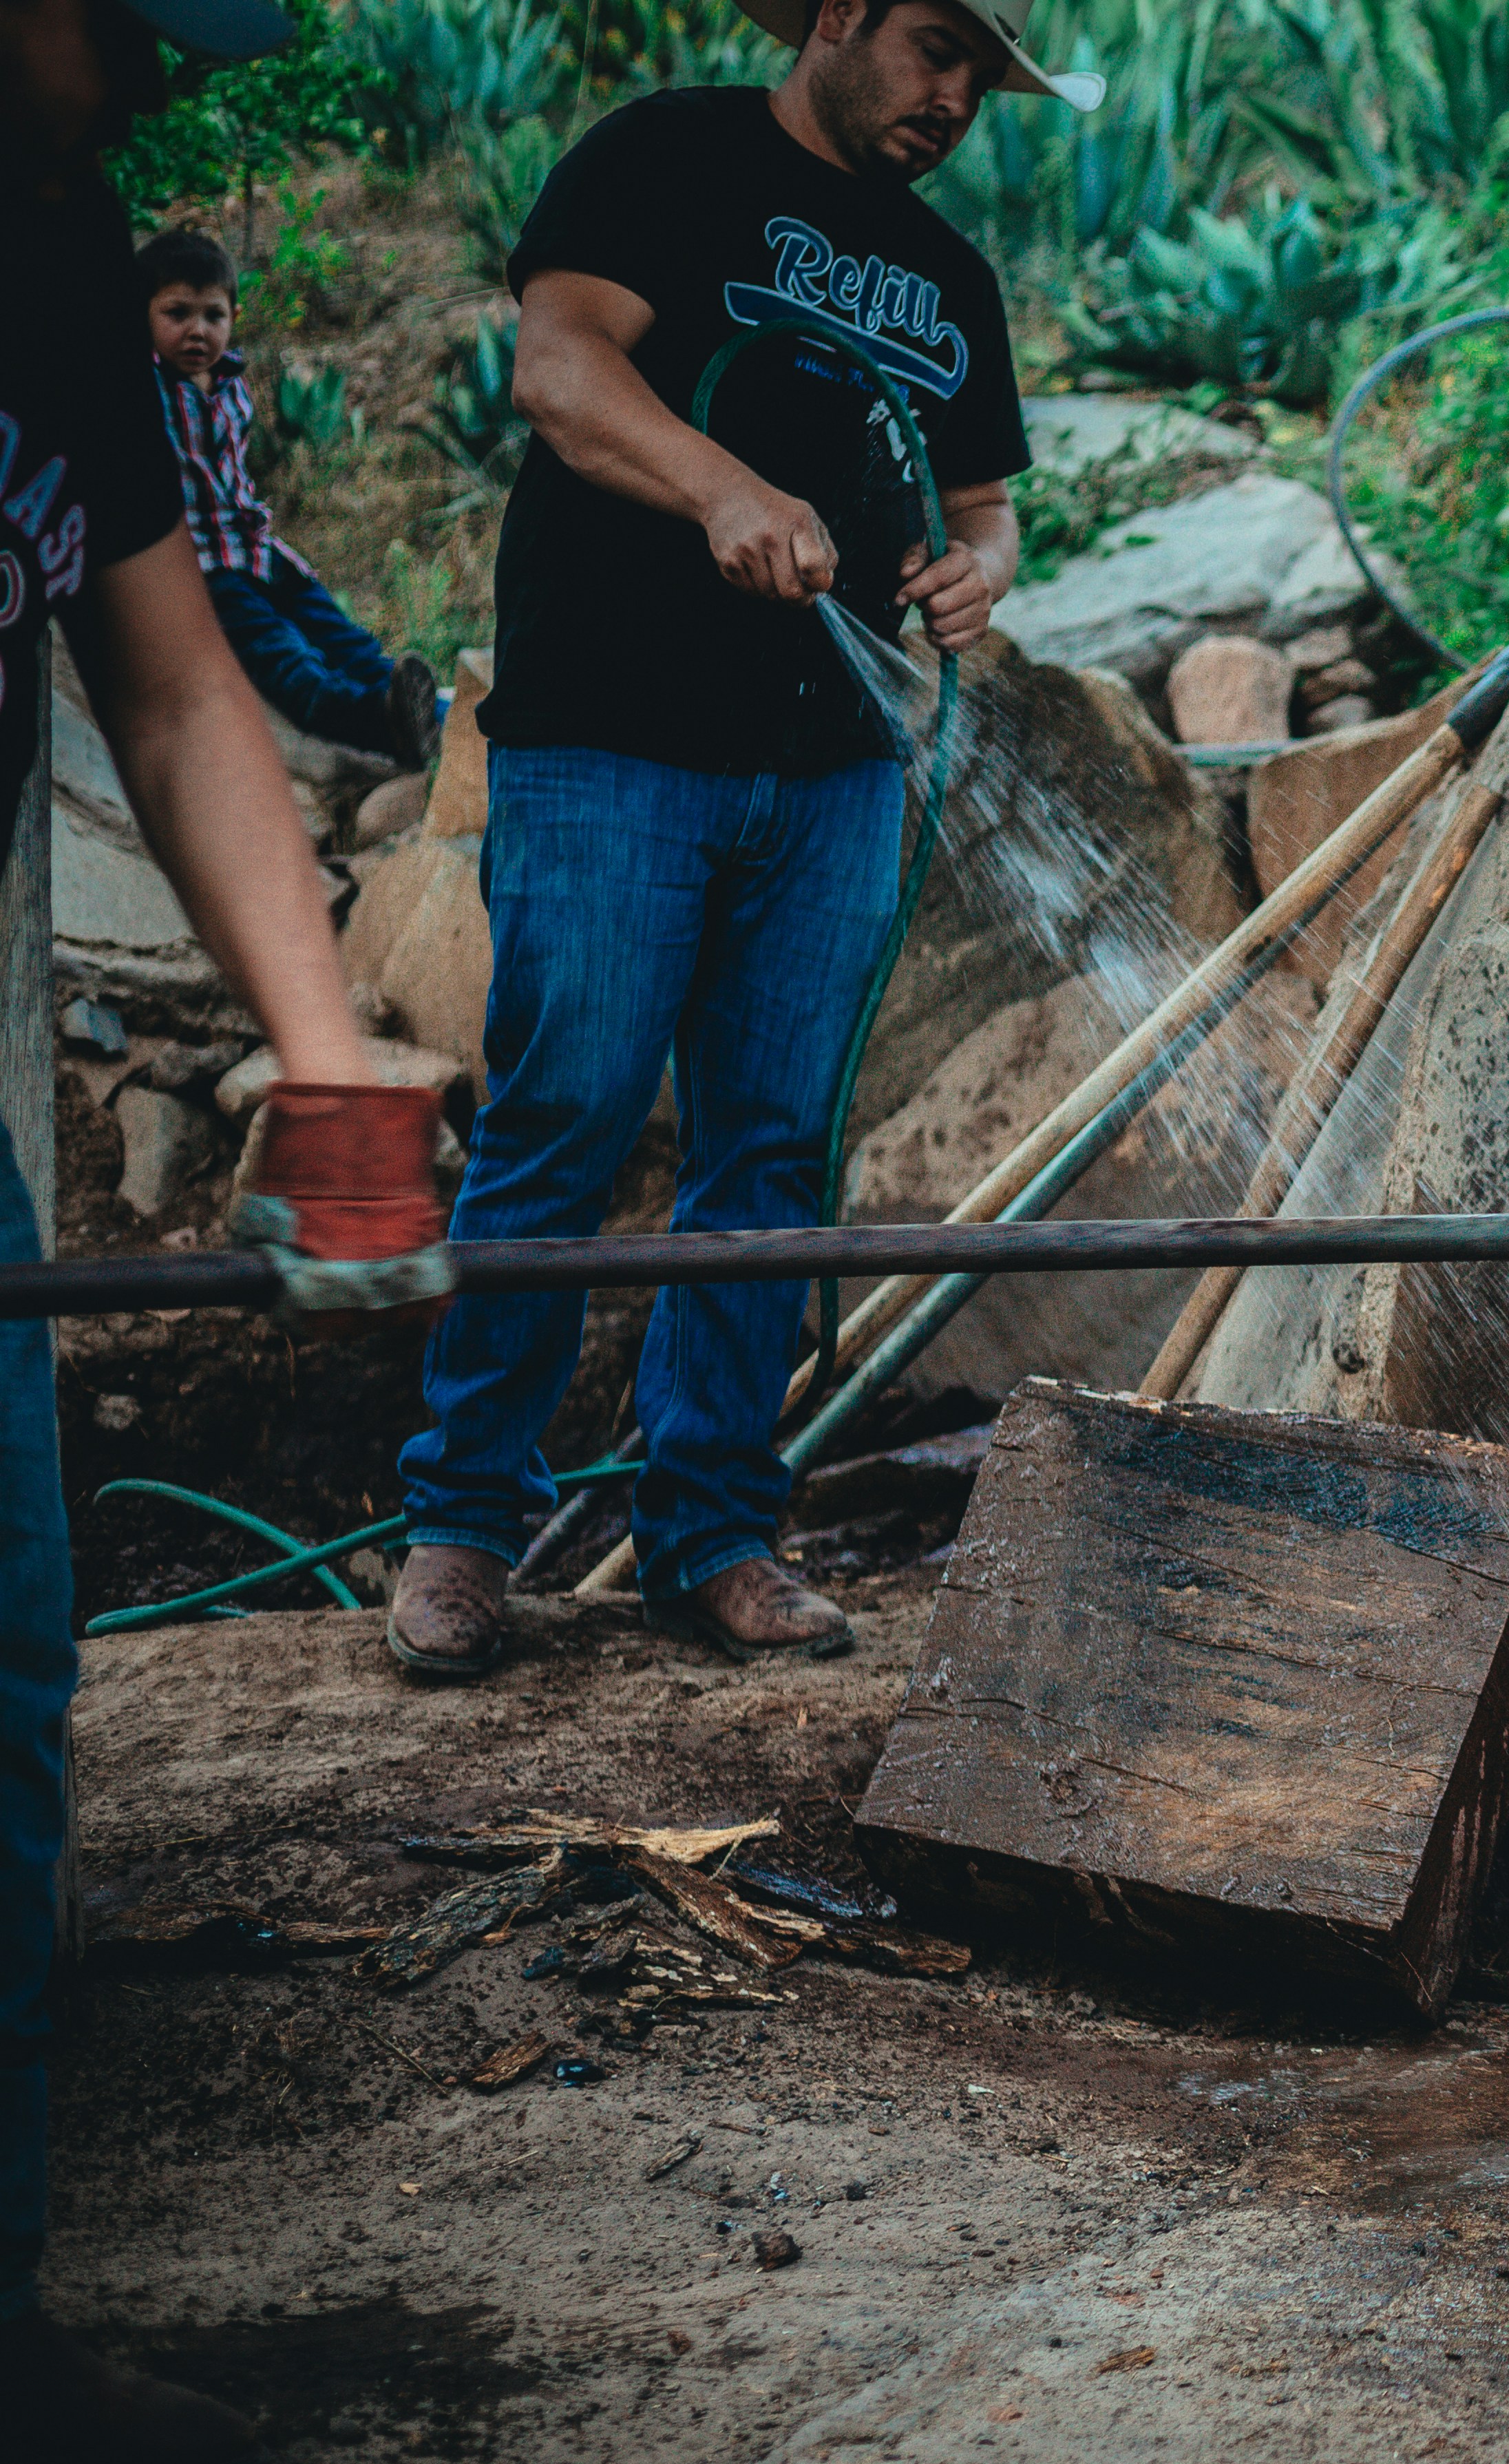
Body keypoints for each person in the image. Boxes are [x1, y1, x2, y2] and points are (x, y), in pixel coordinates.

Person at [384, 0, 1089, 1678]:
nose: (954, 95)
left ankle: (710, 1528)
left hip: (838, 766)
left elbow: (983, 503)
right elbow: (559, 369)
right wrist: (719, 488)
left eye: (983, 75)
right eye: (933, 46)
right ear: (835, 14)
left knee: (770, 1153)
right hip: (613, 742)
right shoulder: (669, 155)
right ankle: (465, 1527)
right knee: (562, 1117)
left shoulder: (948, 277)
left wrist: (978, 564)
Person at [0, 0, 448, 2464]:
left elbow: (166, 677)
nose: (163, 67)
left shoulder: (59, 253)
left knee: (4, 1673)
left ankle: (0, 2313)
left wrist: (328, 1046)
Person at [141, 227, 439, 767]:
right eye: (176, 313)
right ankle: (376, 724)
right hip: (202, 568)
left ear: (233, 316)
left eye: (213, 315)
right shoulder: (142, 386)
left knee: (345, 637)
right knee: (288, 659)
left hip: (260, 553)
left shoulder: (230, 384)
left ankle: (432, 717)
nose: (197, 332)